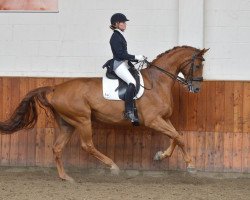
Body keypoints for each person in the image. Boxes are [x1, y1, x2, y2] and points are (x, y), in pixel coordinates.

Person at [109, 13, 145, 123]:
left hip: (123, 63)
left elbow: (124, 54)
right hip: (118, 64)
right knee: (132, 82)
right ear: (116, 24)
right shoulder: (115, 37)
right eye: (123, 22)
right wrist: (135, 57)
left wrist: (135, 60)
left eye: (125, 23)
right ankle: (129, 111)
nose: (125, 24)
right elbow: (120, 55)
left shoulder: (119, 35)